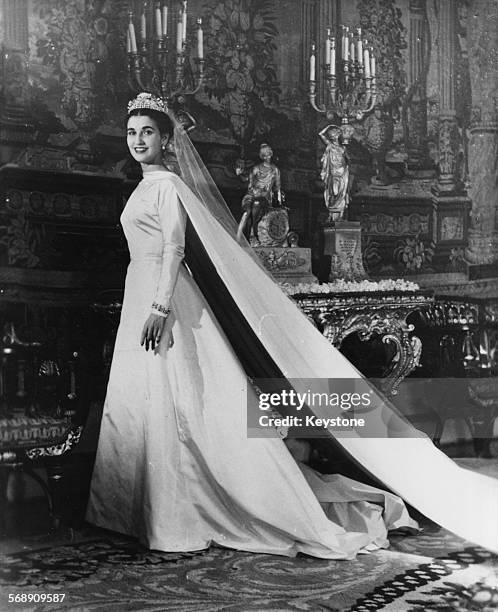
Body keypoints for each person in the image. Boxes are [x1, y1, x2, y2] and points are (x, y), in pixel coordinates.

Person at [87, 93, 498, 557]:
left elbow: (174, 250)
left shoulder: (166, 187)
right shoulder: (144, 187)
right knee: (148, 395)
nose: (138, 140)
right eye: (132, 133)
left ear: (165, 139)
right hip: (142, 290)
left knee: (174, 397)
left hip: (164, 301)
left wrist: (161, 308)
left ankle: (176, 510)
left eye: (148, 132)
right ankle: (140, 508)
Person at [236, 143, 282, 245]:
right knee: (247, 211)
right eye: (265, 154)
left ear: (271, 154)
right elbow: (249, 182)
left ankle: (254, 236)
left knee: (256, 206)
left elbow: (277, 188)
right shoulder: (256, 168)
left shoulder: (275, 170)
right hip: (251, 195)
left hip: (264, 197)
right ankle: (240, 237)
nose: (267, 156)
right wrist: (239, 175)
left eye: (268, 154)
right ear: (262, 156)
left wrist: (279, 203)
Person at [319, 124, 350, 223]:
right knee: (334, 193)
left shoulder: (343, 148)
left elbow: (348, 160)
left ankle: (340, 216)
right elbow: (321, 134)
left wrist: (346, 168)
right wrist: (329, 126)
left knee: (342, 194)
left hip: (342, 173)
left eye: (335, 133)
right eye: (332, 134)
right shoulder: (329, 145)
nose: (333, 135)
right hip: (333, 173)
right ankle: (331, 216)